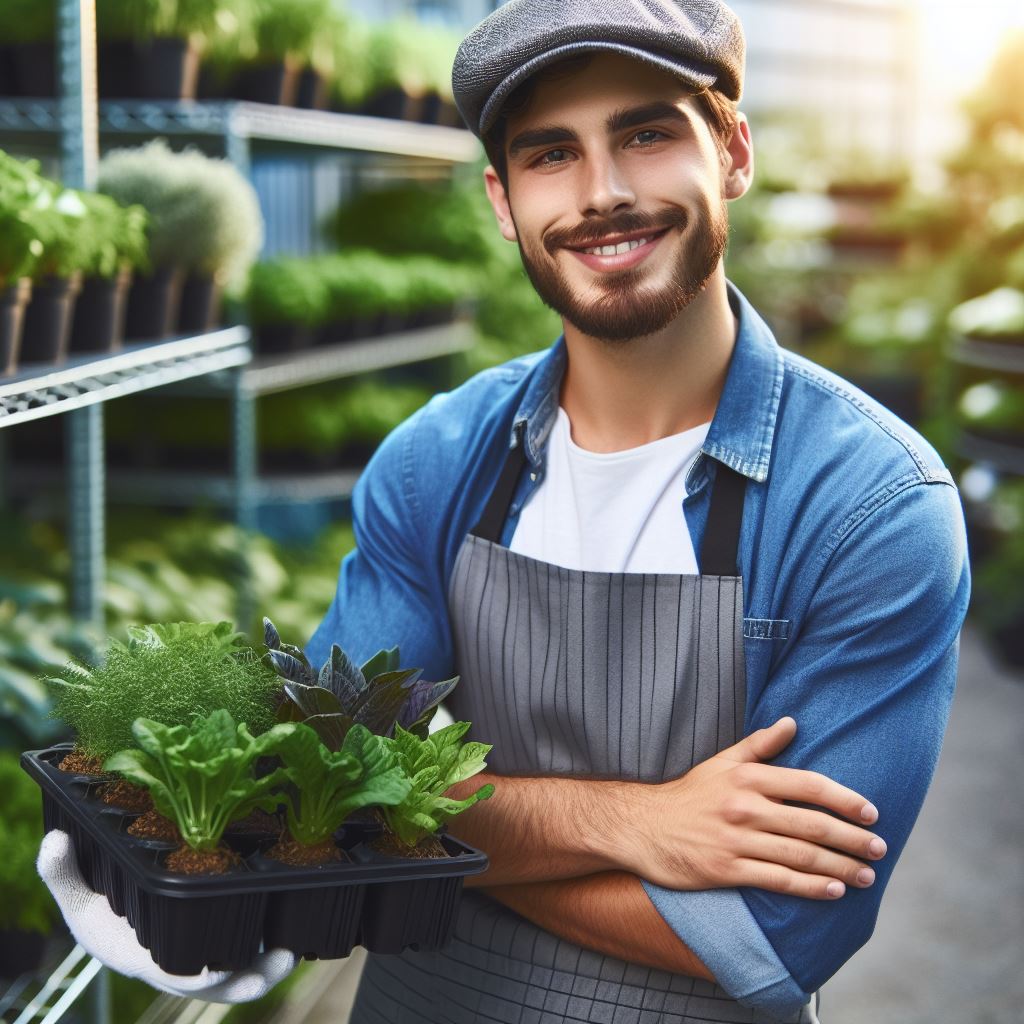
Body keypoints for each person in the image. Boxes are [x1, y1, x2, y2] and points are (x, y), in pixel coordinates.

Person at [38, 1, 970, 1021]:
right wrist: (630, 820)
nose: (603, 192)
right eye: (550, 154)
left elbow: (774, 933)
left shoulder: (868, 505)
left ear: (733, 151)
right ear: (501, 198)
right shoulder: (438, 462)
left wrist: (406, 851)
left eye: (647, 134)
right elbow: (336, 773)